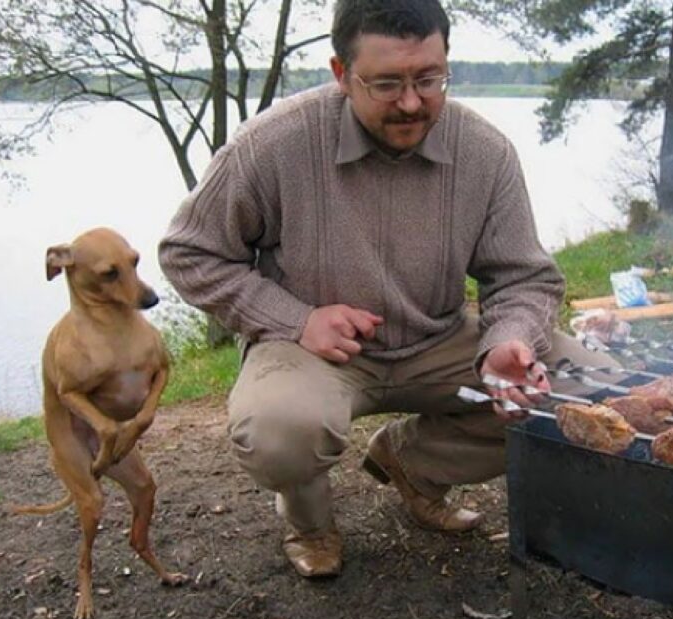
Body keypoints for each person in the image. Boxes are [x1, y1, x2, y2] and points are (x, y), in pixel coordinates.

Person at [159, 0, 620, 579]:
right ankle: (310, 524)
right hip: (313, 349)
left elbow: (522, 274)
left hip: (440, 340)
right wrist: (296, 319)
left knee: (585, 392)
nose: (411, 102)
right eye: (386, 83)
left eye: (429, 79)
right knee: (280, 431)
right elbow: (188, 250)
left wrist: (507, 339)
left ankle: (413, 464)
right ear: (341, 74)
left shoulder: (486, 151)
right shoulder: (274, 144)